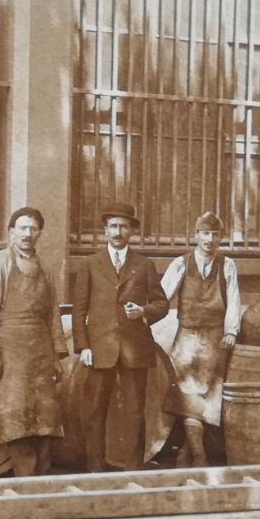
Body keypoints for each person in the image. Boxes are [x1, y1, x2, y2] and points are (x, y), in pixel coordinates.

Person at [70, 202, 170, 472]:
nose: (118, 231)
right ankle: (95, 470)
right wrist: (83, 346)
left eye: (124, 226)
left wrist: (144, 312)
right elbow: (79, 310)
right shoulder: (90, 264)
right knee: (94, 411)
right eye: (113, 226)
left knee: (135, 412)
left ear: (132, 231)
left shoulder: (144, 264)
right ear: (105, 230)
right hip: (100, 349)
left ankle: (133, 469)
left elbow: (162, 304)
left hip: (135, 349)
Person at [0, 207, 67, 477]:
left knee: (46, 416)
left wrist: (56, 356)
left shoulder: (45, 267)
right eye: (22, 228)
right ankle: (24, 477)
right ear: (11, 232)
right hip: (9, 348)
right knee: (16, 413)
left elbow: (53, 314)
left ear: (39, 233)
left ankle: (43, 477)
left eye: (33, 229)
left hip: (40, 349)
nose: (28, 234)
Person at [158, 211, 241, 467]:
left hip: (215, 339)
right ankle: (198, 453)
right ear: (195, 236)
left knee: (209, 396)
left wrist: (230, 331)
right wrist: (146, 317)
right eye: (205, 233)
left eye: (215, 235)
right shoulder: (181, 264)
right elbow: (162, 297)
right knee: (185, 394)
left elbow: (234, 301)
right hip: (187, 337)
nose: (210, 239)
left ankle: (189, 451)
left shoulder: (227, 265)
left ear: (221, 238)